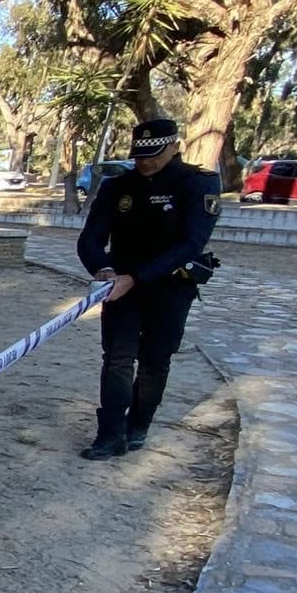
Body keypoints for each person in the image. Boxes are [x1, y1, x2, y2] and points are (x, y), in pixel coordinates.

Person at [76, 117, 221, 460]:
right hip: (122, 287)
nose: (144, 162)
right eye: (139, 155)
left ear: (174, 147)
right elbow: (91, 238)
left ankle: (138, 425)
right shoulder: (118, 187)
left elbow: (191, 243)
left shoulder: (197, 184)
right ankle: (110, 434)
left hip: (171, 286)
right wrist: (102, 268)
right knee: (117, 358)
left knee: (155, 360)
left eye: (153, 155)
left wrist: (137, 277)